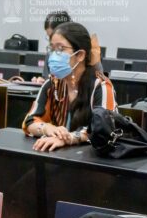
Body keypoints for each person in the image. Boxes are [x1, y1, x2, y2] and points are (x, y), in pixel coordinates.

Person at [22, 22, 117, 151]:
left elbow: (104, 128)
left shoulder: (102, 86)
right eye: (52, 49)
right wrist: (47, 128)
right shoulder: (52, 84)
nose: (53, 55)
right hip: (58, 155)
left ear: (80, 55)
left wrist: (68, 138)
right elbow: (29, 121)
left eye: (60, 49)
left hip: (93, 157)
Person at [32, 11, 102, 84]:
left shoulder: (90, 54)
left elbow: (97, 81)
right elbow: (48, 79)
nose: (51, 41)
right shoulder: (51, 54)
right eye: (49, 37)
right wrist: (43, 82)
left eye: (61, 47)